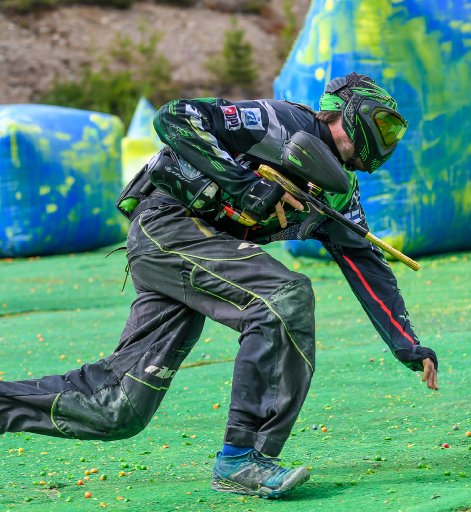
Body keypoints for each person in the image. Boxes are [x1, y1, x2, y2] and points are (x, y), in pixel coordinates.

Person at [0, 72, 438, 499]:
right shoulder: (280, 123)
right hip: (169, 225)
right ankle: (243, 457)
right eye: (382, 125)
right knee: (284, 296)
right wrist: (244, 185)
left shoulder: (340, 194)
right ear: (343, 113)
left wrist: (407, 345)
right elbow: (174, 116)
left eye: (393, 132)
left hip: (206, 255)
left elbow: (366, 263)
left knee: (118, 408)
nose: (386, 141)